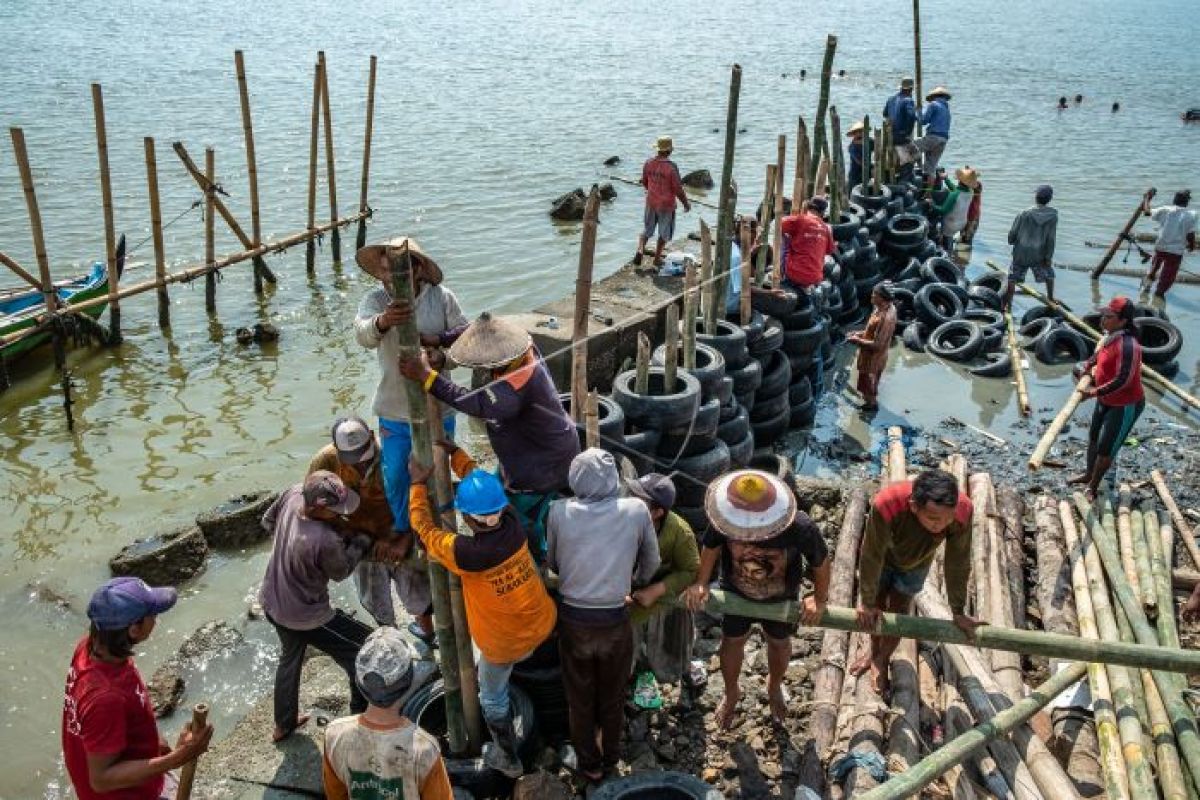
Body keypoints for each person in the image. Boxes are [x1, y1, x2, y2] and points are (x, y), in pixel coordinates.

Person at [407, 441, 557, 777]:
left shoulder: (467, 554)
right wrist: (456, 454)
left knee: (492, 698)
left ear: (468, 519)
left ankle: (508, 757)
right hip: (541, 621)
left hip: (505, 645)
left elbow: (425, 529)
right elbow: (483, 487)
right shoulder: (514, 523)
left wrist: (417, 485)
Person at [399, 312, 580, 561]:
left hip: (541, 463)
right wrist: (439, 338)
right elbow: (478, 330)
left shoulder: (513, 389)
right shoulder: (521, 344)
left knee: (521, 518)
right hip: (531, 449)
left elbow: (473, 403)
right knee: (492, 491)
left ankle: (535, 559)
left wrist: (427, 377)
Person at [353, 237, 466, 615]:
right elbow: (363, 334)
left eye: (397, 270)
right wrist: (385, 321)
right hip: (394, 408)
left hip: (436, 407)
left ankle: (439, 527)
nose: (388, 277)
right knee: (397, 475)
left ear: (417, 269)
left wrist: (439, 357)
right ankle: (405, 528)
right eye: (384, 270)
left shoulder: (441, 298)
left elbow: (463, 343)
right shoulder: (375, 301)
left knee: (436, 471)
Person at [547, 448, 660, 782]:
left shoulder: (557, 511)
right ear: (614, 480)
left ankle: (589, 765)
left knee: (579, 698)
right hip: (614, 618)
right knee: (612, 696)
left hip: (574, 620)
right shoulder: (637, 509)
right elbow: (651, 564)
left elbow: (553, 563)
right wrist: (632, 582)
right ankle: (610, 758)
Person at [686, 469, 831, 729]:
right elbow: (711, 546)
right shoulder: (724, 518)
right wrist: (701, 582)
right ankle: (731, 692)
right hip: (736, 593)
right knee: (732, 640)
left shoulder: (799, 525)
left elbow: (820, 562)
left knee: (779, 642)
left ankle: (774, 685)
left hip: (780, 597)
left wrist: (819, 599)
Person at [62, 578, 214, 800]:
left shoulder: (92, 648)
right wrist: (179, 759)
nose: (156, 620)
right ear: (134, 629)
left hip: (139, 780)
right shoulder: (106, 698)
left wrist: (166, 749)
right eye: (152, 615)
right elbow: (101, 780)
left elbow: (135, 711)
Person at [260, 470, 375, 742]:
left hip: (272, 599)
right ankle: (360, 713)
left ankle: (283, 724)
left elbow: (267, 521)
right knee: (362, 647)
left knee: (290, 659)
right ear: (315, 508)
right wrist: (362, 540)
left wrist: (289, 547)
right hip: (306, 615)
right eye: (334, 512)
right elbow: (341, 571)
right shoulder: (324, 539)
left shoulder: (292, 494)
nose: (340, 515)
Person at [850, 470, 980, 695]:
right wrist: (868, 601)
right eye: (933, 519)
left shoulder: (962, 511)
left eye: (946, 519)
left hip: (916, 563)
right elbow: (871, 554)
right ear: (913, 506)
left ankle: (881, 658)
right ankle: (873, 650)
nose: (941, 525)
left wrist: (958, 610)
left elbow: (957, 561)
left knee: (900, 609)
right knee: (877, 607)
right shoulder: (888, 504)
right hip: (883, 557)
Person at [309, 415, 434, 644]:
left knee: (419, 594)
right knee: (377, 603)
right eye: (352, 461)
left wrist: (404, 535)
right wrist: (349, 535)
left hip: (399, 533)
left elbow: (420, 496)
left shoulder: (394, 454)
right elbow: (315, 506)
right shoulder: (325, 462)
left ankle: (428, 633)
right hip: (361, 542)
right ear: (336, 450)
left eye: (364, 457)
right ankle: (396, 645)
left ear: (373, 438)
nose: (360, 465)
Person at [322, 628, 452, 800]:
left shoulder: (334, 734)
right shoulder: (425, 748)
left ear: (359, 683)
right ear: (409, 680)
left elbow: (335, 794)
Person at [625, 474, 700, 709]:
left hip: (666, 603)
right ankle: (639, 675)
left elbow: (690, 571)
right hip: (629, 603)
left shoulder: (680, 532)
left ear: (657, 512)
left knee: (674, 646)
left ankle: (683, 673)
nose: (630, 500)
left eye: (639, 499)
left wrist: (657, 590)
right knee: (631, 649)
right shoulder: (620, 521)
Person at [1069, 296, 1145, 498]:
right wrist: (1086, 367)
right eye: (1103, 315)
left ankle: (1092, 487)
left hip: (1125, 404)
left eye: (1109, 316)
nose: (1103, 320)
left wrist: (1093, 392)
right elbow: (1098, 356)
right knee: (1094, 437)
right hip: (1105, 399)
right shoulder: (1109, 337)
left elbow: (1124, 379)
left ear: (1123, 321)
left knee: (1106, 449)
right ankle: (1087, 474)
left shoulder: (1129, 345)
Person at [635, 135, 691, 267]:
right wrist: (686, 203)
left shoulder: (648, 163)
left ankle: (640, 249)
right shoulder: (671, 167)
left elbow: (645, 182)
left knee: (647, 229)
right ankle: (656, 259)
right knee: (664, 233)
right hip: (666, 205)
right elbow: (677, 188)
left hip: (651, 201)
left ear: (658, 149)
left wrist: (652, 191)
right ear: (669, 151)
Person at [1003, 184, 1059, 310]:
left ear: (1036, 197)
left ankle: (1008, 304)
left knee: (1012, 278)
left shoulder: (1024, 213)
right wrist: (1048, 257)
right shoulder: (1053, 216)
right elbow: (1051, 239)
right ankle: (1050, 298)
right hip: (1039, 254)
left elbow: (1013, 232)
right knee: (1049, 275)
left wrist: (1011, 241)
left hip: (1021, 251)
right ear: (1049, 199)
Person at [847, 284, 898, 410]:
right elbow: (872, 330)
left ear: (882, 298)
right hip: (870, 354)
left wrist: (857, 340)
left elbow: (877, 345)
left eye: (875, 294)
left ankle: (871, 406)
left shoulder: (886, 318)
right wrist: (858, 333)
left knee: (870, 385)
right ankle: (868, 401)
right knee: (867, 382)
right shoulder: (881, 308)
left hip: (874, 358)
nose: (872, 295)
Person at [1143, 189, 1196, 298]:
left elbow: (1147, 212)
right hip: (1176, 251)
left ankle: (1147, 286)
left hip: (1161, 246)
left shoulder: (1165, 210)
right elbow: (1190, 234)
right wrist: (1192, 245)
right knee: (1168, 275)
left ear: (1174, 200)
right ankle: (1159, 293)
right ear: (1187, 202)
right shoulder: (1191, 215)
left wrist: (1147, 199)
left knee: (1154, 267)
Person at [780, 197, 836, 291]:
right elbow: (830, 250)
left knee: (784, 237)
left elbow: (778, 224)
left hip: (794, 274)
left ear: (807, 207)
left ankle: (781, 276)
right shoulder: (826, 228)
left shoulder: (800, 220)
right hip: (816, 277)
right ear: (823, 213)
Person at [930, 166, 978, 249]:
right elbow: (956, 189)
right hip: (962, 223)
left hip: (950, 225)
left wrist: (931, 204)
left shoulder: (954, 195)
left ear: (959, 180)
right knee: (951, 236)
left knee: (947, 241)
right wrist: (946, 179)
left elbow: (943, 210)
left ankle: (947, 250)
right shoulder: (971, 192)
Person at [912, 86, 952, 181]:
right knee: (931, 167)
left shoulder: (933, 104)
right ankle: (929, 193)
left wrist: (917, 112)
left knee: (911, 146)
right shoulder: (946, 109)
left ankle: (919, 166)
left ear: (934, 97)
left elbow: (923, 121)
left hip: (933, 136)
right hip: (944, 139)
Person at [883, 77, 918, 179]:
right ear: (911, 89)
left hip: (890, 136)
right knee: (911, 158)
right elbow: (911, 116)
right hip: (902, 136)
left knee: (910, 155)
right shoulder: (908, 100)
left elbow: (885, 114)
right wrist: (907, 133)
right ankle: (905, 182)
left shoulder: (891, 99)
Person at [846, 120, 871, 189]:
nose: (861, 133)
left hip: (866, 174)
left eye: (862, 131)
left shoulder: (869, 142)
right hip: (855, 175)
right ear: (854, 134)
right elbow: (860, 162)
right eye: (859, 132)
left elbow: (878, 145)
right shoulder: (852, 147)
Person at [960, 177, 982, 245]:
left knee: (967, 237)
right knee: (967, 236)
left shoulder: (973, 194)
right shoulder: (974, 193)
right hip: (972, 216)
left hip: (971, 217)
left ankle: (965, 241)